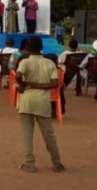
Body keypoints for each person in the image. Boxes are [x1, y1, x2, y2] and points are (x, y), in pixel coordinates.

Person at [15, 36, 65, 173]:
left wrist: (23, 85)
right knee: (48, 134)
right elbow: (55, 84)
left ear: (26, 48)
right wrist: (38, 85)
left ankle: (29, 163)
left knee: (27, 134)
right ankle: (57, 162)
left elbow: (18, 75)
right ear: (41, 47)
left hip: (27, 101)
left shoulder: (25, 62)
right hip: (42, 102)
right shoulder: (49, 63)